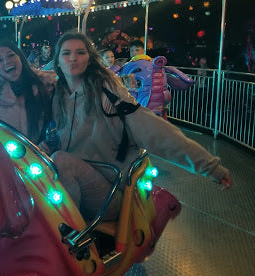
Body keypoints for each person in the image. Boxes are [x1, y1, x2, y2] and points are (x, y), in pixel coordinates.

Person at [42, 31, 232, 221]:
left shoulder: (108, 94)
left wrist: (208, 166)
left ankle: (67, 238)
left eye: (80, 52)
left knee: (61, 161)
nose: (73, 58)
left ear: (90, 59)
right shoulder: (57, 96)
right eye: (66, 53)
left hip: (110, 191)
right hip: (74, 185)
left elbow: (155, 131)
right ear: (57, 61)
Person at [0, 0, 55, 143]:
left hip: (32, 160)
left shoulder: (42, 83)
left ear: (21, 58)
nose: (7, 61)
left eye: (11, 55)